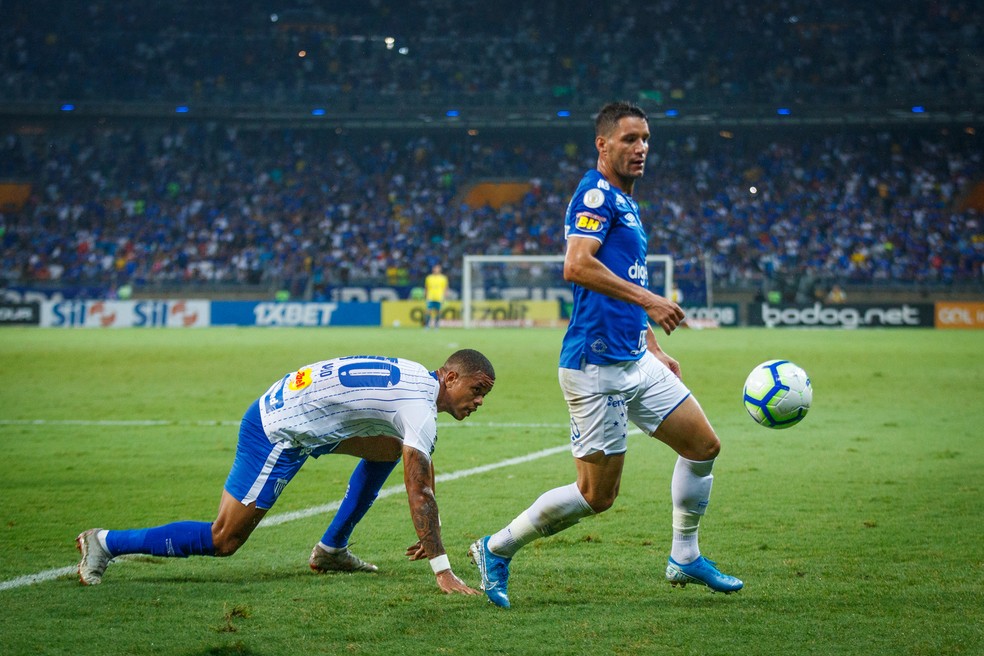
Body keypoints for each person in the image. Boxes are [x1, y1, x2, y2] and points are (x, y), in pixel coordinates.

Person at [469, 101, 742, 608]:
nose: (640, 149)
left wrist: (652, 344)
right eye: (629, 139)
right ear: (603, 144)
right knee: (597, 497)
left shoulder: (626, 202)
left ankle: (684, 557)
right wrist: (653, 302)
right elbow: (576, 266)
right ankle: (496, 547)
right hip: (594, 368)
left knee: (703, 447)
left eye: (645, 140)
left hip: (635, 358)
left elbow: (627, 280)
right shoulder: (594, 194)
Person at [77, 349, 496, 596]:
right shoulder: (419, 409)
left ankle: (331, 550)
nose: (478, 401)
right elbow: (418, 488)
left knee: (389, 450)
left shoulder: (418, 382)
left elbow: (418, 464)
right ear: (451, 376)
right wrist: (442, 569)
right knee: (224, 539)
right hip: (280, 429)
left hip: (303, 410)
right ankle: (105, 542)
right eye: (476, 390)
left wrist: (431, 526)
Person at [423, 264, 449, 328]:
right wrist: (425, 294)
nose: (436, 270)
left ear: (440, 269)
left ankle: (436, 325)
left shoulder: (443, 278)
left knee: (438, 312)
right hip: (430, 297)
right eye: (435, 268)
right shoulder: (429, 278)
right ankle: (427, 325)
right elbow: (426, 287)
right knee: (428, 311)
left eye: (437, 268)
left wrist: (445, 296)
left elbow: (445, 288)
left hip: (439, 297)